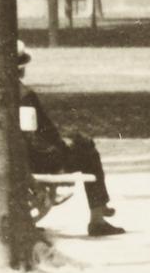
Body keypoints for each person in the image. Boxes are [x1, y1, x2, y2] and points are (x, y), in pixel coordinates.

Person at [11, 50, 121, 238]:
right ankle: (98, 216)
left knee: (81, 144)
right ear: (21, 70)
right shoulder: (25, 95)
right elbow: (47, 132)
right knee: (87, 150)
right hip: (37, 159)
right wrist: (64, 144)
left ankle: (101, 208)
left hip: (14, 156)